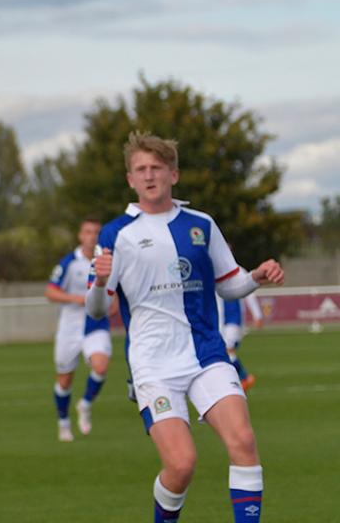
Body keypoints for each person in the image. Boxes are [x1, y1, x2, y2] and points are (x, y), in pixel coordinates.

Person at [87, 131, 283, 523]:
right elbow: (96, 311)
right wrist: (100, 280)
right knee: (181, 465)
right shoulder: (115, 235)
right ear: (130, 179)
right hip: (153, 366)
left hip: (206, 354)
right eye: (140, 169)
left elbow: (229, 286)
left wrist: (257, 277)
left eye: (156, 167)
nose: (149, 175)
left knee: (243, 441)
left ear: (173, 174)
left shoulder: (202, 225)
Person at [44, 218, 111, 442]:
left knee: (101, 367)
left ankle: (85, 404)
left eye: (96, 232)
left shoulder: (107, 261)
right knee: (64, 380)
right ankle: (63, 422)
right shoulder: (69, 263)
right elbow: (50, 292)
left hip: (95, 326)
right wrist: (75, 298)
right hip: (69, 329)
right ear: (80, 236)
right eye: (88, 232)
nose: (92, 236)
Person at [217, 290, 264, 391]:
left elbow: (249, 293)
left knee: (228, 349)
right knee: (221, 352)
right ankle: (237, 378)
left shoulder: (236, 274)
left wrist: (257, 315)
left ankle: (244, 377)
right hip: (219, 322)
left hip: (234, 320)